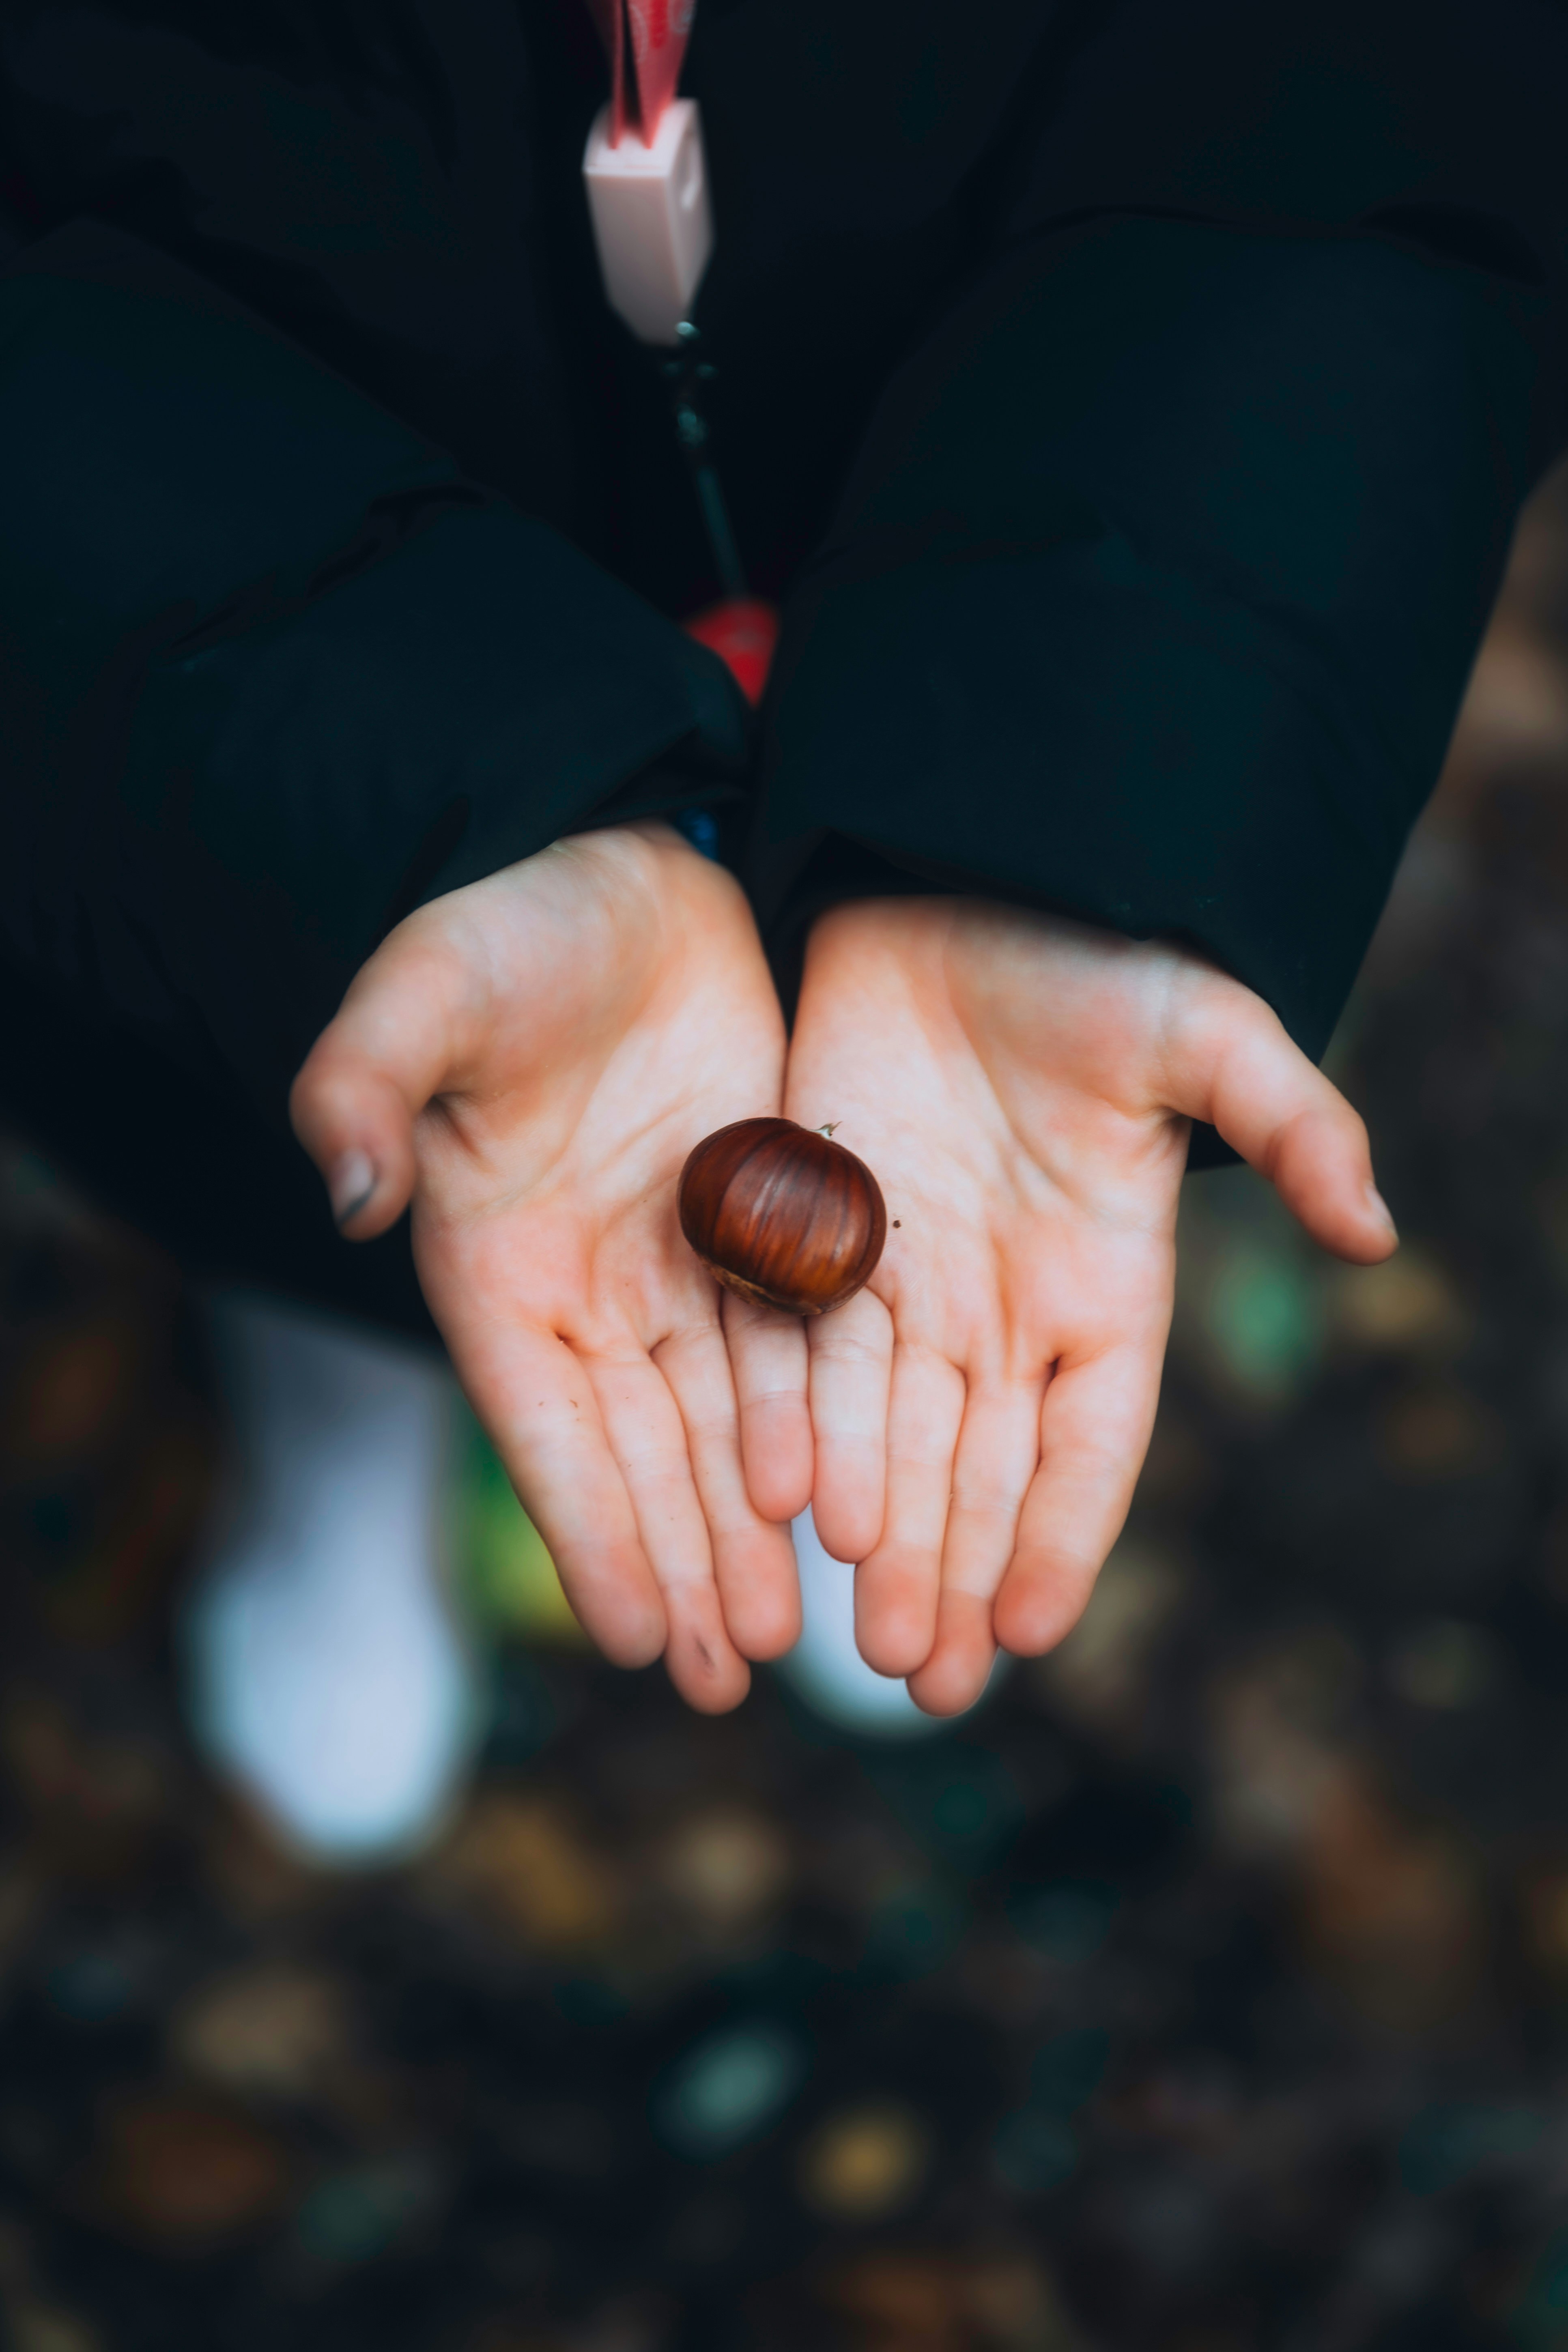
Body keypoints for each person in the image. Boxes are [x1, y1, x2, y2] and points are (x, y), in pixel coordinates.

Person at [2, 1, 1564, 1727]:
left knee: (454, 1136)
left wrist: (1090, 797)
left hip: (950, 518)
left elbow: (1394, 108)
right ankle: (338, 1408)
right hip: (215, 709)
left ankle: (830, 1455)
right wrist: (393, 801)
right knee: (339, 1145)